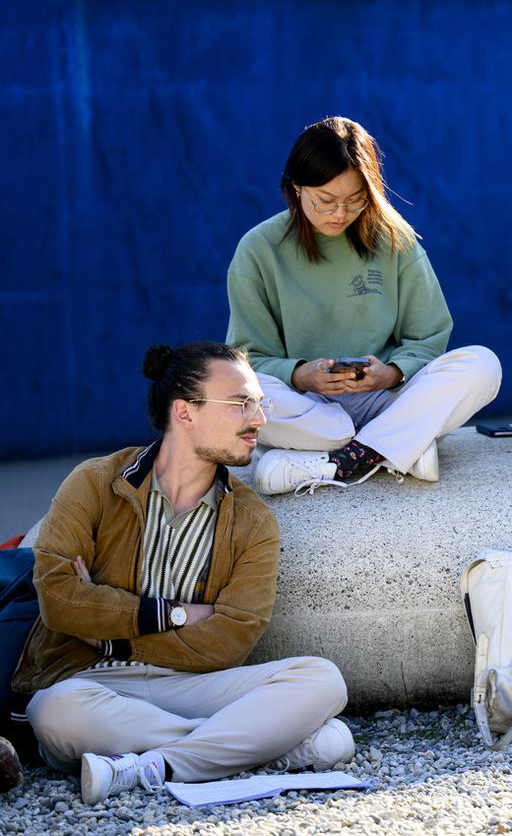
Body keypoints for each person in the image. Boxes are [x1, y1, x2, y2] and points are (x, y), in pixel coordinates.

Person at [11, 343, 353, 804]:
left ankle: (157, 764)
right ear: (185, 412)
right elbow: (60, 598)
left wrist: (113, 633)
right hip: (93, 681)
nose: (259, 419)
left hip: (192, 684)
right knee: (52, 711)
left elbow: (233, 635)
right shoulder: (94, 483)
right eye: (241, 404)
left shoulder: (252, 520)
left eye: (259, 403)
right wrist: (176, 615)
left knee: (321, 678)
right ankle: (257, 745)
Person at [227, 116, 501, 495]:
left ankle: (337, 460)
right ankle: (395, 447)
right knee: (237, 397)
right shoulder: (258, 249)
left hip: (383, 399)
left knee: (483, 364)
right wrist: (302, 374)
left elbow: (428, 337)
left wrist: (391, 373)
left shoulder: (393, 239)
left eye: (355, 201)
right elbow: (248, 360)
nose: (340, 214)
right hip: (306, 406)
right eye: (325, 201)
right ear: (294, 189)